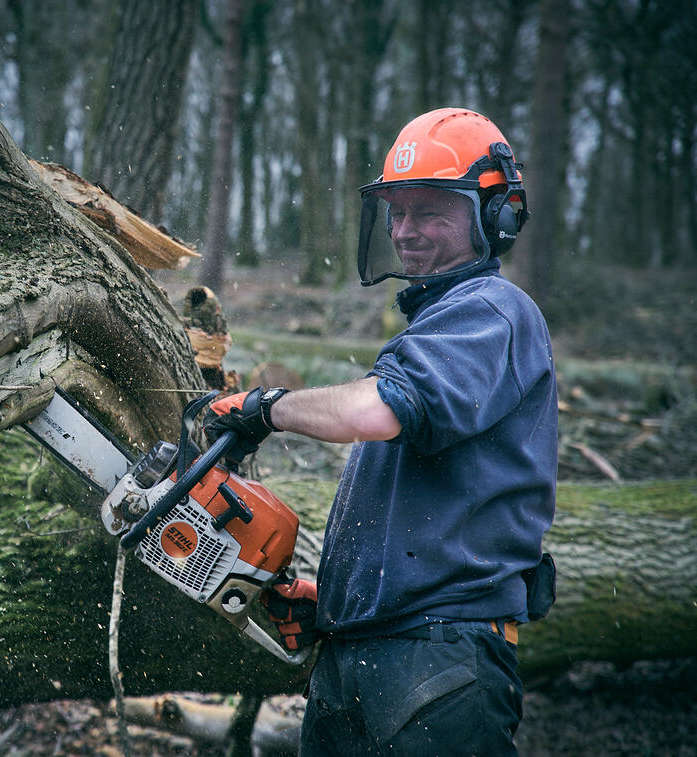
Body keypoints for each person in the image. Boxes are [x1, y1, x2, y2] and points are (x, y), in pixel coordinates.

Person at [205, 108, 558, 756]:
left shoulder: (491, 311)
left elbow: (376, 412)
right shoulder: (439, 321)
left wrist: (266, 407)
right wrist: (340, 599)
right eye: (395, 212)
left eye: (427, 211)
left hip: (440, 657)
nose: (404, 230)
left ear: (495, 214)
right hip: (367, 650)